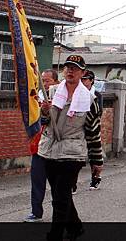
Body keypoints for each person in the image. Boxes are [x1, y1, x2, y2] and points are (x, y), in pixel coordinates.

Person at [38, 55, 103, 240]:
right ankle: (75, 228)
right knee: (62, 194)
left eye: (75, 68)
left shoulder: (89, 100)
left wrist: (97, 161)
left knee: (60, 197)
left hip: (72, 152)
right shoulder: (51, 92)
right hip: (49, 149)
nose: (70, 71)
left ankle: (56, 234)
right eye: (67, 67)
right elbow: (43, 122)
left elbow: (93, 133)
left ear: (82, 73)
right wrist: (44, 111)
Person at [24, 69, 59, 223]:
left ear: (56, 82)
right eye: (42, 80)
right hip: (39, 145)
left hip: (56, 147)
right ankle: (36, 211)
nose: (44, 84)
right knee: (37, 180)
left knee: (57, 183)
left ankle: (61, 212)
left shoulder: (61, 97)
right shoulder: (37, 98)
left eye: (47, 81)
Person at [75, 69, 103, 192]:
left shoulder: (97, 95)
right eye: (81, 79)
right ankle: (72, 183)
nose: (83, 81)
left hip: (93, 128)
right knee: (75, 157)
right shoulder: (76, 92)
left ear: (91, 81)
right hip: (78, 129)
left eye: (85, 79)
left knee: (95, 156)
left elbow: (99, 112)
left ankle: (95, 177)